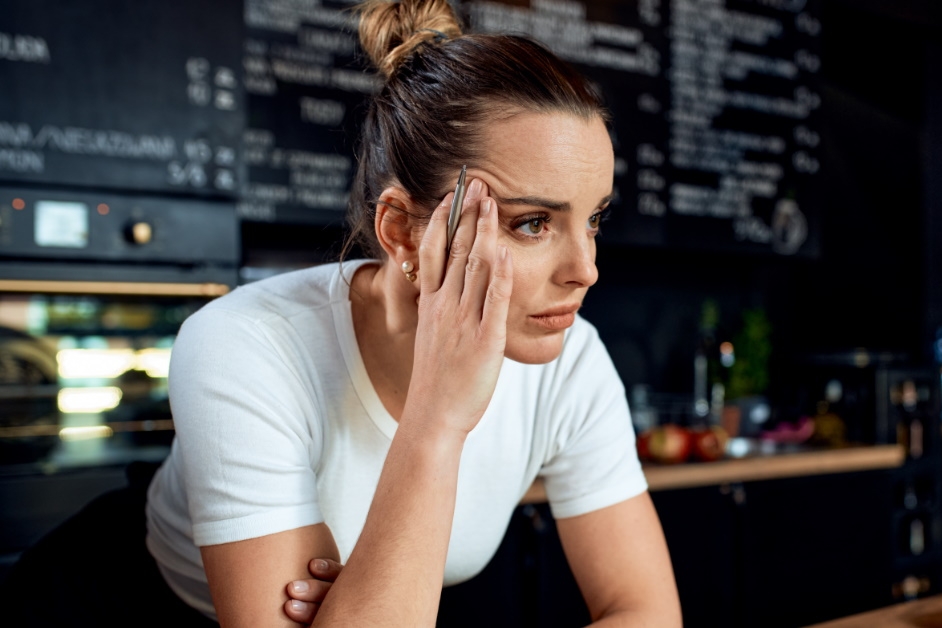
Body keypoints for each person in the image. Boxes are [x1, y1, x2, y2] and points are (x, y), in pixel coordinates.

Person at [138, 0, 681, 626]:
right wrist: (436, 420)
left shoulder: (570, 359)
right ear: (400, 231)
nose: (585, 268)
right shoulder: (245, 346)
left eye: (593, 220)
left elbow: (646, 612)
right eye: (532, 223)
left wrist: (359, 603)